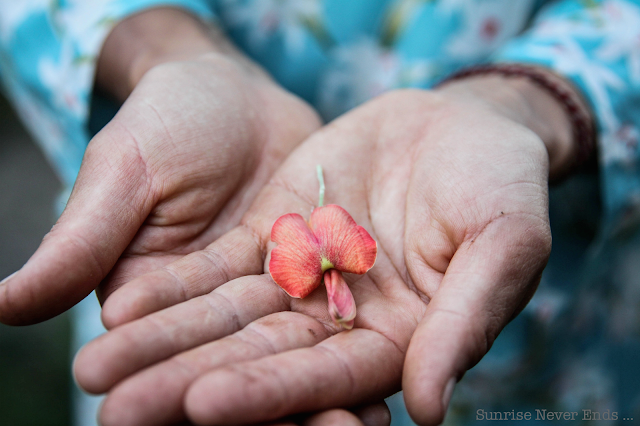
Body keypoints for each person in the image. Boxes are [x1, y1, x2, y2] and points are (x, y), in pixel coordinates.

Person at [0, 1, 639, 425]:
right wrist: (161, 49)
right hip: (196, 246)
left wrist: (535, 100)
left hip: (568, 331)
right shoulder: (328, 255)